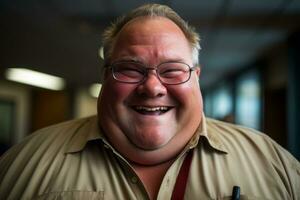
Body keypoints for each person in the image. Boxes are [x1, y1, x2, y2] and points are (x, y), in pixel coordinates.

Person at [0, 3, 299, 200]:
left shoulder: (274, 167)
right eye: (130, 69)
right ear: (106, 76)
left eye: (172, 70)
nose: (152, 87)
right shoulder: (21, 167)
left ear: (196, 76)